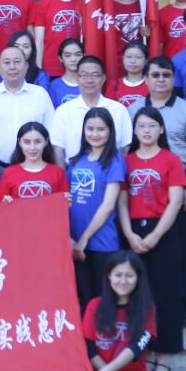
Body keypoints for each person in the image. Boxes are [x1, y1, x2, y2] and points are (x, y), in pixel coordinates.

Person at [119, 107, 186, 371]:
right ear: (134, 131)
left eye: (151, 126)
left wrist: (156, 235)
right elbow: (122, 200)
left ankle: (165, 356)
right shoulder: (127, 161)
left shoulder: (171, 160)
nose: (146, 131)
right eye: (141, 126)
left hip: (164, 231)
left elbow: (176, 201)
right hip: (133, 231)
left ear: (161, 129)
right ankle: (143, 353)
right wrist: (129, 234)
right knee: (137, 297)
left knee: (166, 295)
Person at [140, 56, 186, 322]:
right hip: (143, 184)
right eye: (155, 75)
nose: (161, 80)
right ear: (146, 79)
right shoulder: (133, 109)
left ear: (174, 79)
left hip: (179, 183)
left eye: (166, 75)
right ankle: (148, 309)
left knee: (181, 249)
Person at [82, 251, 157, 371]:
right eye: (118, 275)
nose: (123, 281)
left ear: (138, 278)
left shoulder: (147, 308)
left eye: (129, 275)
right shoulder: (94, 306)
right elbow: (89, 347)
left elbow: (137, 347)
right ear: (109, 276)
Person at [0, 46, 55, 191]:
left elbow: (52, 136)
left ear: (26, 66)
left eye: (17, 62)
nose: (12, 67)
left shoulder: (41, 94)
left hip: (32, 169)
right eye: (7, 62)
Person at [66, 107, 126, 308]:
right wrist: (71, 238)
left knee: (103, 299)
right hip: (75, 241)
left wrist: (84, 238)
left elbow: (108, 206)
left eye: (101, 129)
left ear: (110, 131)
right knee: (83, 299)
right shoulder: (77, 160)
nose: (95, 134)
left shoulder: (115, 161)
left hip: (103, 241)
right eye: (90, 129)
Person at [50, 56, 132, 163]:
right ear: (77, 79)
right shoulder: (63, 111)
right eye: (84, 75)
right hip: (73, 170)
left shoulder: (118, 110)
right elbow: (57, 148)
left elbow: (125, 147)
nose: (89, 80)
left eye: (95, 75)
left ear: (103, 79)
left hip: (111, 170)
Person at [32, 0, 82, 78]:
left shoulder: (84, 3)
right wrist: (38, 70)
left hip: (80, 69)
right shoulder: (42, 5)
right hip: (51, 70)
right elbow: (39, 41)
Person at [0, 122, 69, 201]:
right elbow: (2, 205)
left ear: (46, 141)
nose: (32, 148)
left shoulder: (58, 172)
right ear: (19, 142)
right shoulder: (8, 173)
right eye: (27, 142)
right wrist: (4, 203)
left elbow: (64, 203)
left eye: (37, 141)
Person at [112, 42, 149, 115]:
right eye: (129, 57)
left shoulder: (151, 84)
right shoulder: (114, 85)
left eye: (138, 57)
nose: (133, 61)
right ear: (123, 58)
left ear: (146, 60)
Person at [48, 38, 84, 108]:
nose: (73, 59)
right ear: (60, 58)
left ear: (83, 56)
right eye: (68, 55)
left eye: (77, 55)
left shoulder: (90, 82)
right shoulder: (54, 86)